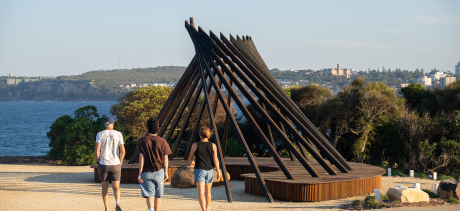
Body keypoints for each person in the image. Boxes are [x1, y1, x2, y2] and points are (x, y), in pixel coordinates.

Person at [137, 117, 172, 211]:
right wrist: (166, 172)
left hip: (146, 171)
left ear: (147, 128)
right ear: (158, 128)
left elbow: (141, 157)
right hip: (159, 172)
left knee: (149, 195)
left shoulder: (142, 140)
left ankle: (151, 209)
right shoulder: (163, 141)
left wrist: (140, 172)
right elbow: (165, 159)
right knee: (158, 196)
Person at [95, 116, 125, 211]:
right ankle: (117, 203)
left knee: (105, 187)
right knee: (116, 187)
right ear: (113, 124)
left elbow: (97, 151)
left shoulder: (100, 134)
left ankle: (106, 208)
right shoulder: (119, 134)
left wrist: (98, 161)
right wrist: (120, 162)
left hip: (104, 163)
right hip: (115, 163)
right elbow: (123, 151)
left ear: (104, 124)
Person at [189, 126, 222, 211]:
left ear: (200, 134)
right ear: (208, 135)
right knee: (208, 192)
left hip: (199, 170)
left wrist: (192, 161)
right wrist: (218, 171)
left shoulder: (195, 145)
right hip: (210, 170)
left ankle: (204, 210)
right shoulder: (213, 145)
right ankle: (207, 208)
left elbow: (190, 157)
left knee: (201, 193)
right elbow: (215, 160)